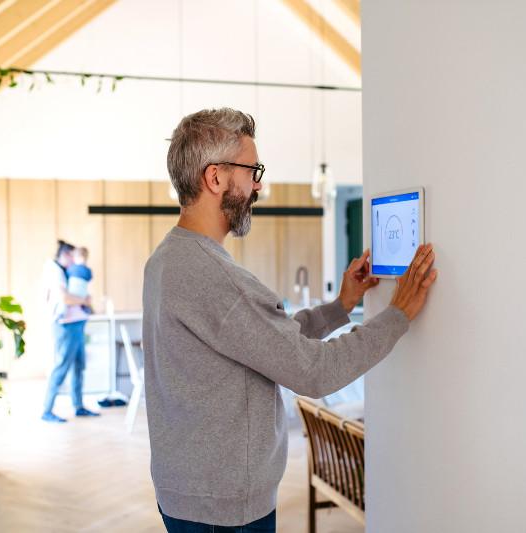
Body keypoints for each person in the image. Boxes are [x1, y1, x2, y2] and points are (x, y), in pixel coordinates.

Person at [142, 108, 437, 532]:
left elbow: (263, 340)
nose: (258, 183)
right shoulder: (216, 277)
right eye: (252, 169)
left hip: (190, 495)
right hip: (225, 510)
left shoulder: (168, 259)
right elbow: (314, 371)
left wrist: (339, 307)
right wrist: (398, 314)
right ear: (215, 178)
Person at [41, 240, 100, 422]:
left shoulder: (66, 271)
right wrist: (84, 301)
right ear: (66, 255)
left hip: (76, 323)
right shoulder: (54, 271)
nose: (76, 262)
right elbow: (65, 298)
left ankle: (79, 406)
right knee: (61, 367)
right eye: (74, 257)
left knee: (78, 367)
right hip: (65, 326)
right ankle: (47, 410)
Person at [59, 246, 93, 324]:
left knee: (65, 303)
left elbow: (67, 275)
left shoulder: (71, 267)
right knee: (85, 301)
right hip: (83, 292)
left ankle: (61, 314)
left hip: (72, 290)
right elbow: (90, 277)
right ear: (86, 258)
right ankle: (87, 309)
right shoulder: (87, 270)